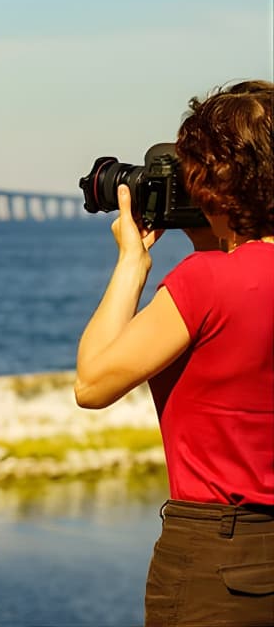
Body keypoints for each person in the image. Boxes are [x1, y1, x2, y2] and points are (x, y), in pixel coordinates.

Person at [75, 80, 274, 626]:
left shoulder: (206, 283)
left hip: (219, 563)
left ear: (217, 183)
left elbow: (92, 384)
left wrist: (131, 262)